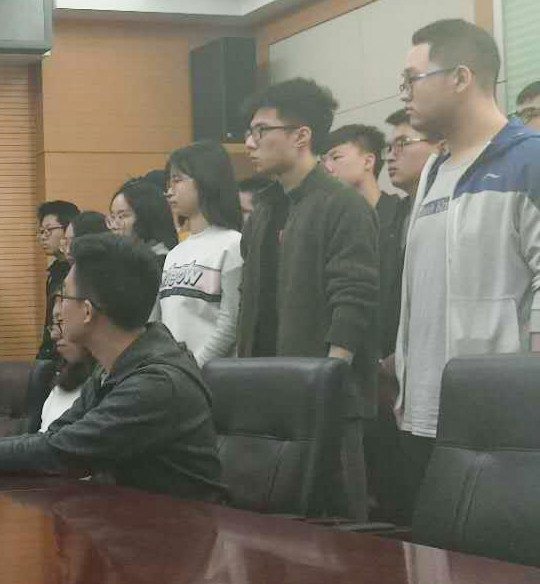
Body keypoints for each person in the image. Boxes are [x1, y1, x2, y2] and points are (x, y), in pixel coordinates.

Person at [0, 233, 227, 503]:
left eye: (64, 296)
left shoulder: (155, 383)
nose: (57, 309)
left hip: (179, 540)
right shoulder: (116, 367)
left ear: (87, 311)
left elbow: (62, 453)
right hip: (134, 528)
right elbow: (54, 437)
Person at [394, 19, 540, 519]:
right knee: (426, 552)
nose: (405, 94)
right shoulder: (433, 170)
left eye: (412, 79)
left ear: (460, 77)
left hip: (502, 417)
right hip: (423, 409)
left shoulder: (529, 160)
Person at [237, 78, 379, 520]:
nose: (249, 143)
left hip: (322, 395)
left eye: (261, 131)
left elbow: (354, 297)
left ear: (301, 136)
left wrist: (329, 381)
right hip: (264, 390)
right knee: (267, 522)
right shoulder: (264, 209)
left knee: (333, 525)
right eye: (249, 132)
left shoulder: (342, 204)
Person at [370, 109, 441, 523]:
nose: (390, 156)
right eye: (388, 146)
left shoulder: (446, 212)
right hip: (390, 369)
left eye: (403, 144)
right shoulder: (394, 216)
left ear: (439, 147)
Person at [158, 141, 244, 368]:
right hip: (173, 375)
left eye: (177, 180)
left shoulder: (232, 244)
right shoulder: (174, 254)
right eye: (168, 182)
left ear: (206, 180)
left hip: (212, 377)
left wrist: (194, 369)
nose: (169, 191)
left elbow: (230, 325)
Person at [26, 292, 101, 433]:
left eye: (61, 321)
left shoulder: (107, 387)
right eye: (53, 324)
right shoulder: (60, 382)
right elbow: (42, 438)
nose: (53, 335)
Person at [36, 200, 80, 360]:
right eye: (41, 231)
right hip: (52, 352)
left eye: (49, 230)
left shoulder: (79, 271)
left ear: (68, 229)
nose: (43, 237)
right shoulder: (54, 272)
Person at [108, 180, 179, 267]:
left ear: (145, 216)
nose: (114, 225)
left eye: (123, 216)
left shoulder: (164, 262)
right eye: (113, 217)